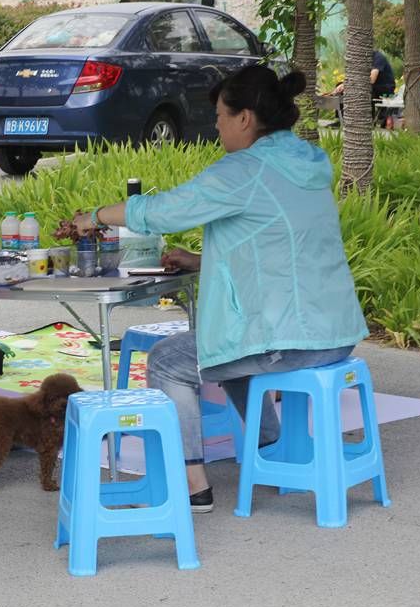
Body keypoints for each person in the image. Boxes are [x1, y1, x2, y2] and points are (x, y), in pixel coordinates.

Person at [74, 65, 368, 513]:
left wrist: (95, 216)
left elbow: (167, 210)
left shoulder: (244, 170)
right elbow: (281, 247)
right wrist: (199, 261)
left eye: (220, 116)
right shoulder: (304, 162)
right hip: (335, 330)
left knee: (173, 360)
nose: (216, 125)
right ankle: (270, 445)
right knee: (224, 347)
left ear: (245, 118)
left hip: (292, 338)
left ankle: (193, 485)